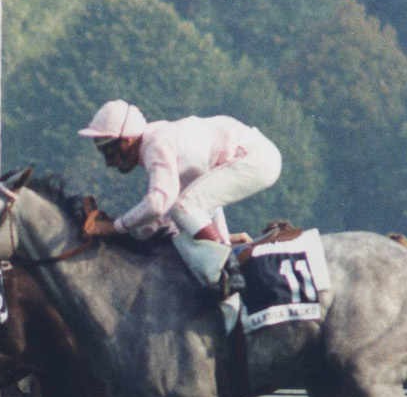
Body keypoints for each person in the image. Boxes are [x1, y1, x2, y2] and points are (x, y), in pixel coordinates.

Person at [76, 100, 282, 299]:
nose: (109, 163)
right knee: (187, 206)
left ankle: (228, 273)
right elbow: (205, 203)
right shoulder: (160, 138)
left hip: (254, 156)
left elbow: (158, 203)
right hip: (259, 155)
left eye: (108, 151)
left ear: (127, 140)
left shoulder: (154, 144)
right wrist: (223, 241)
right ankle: (226, 266)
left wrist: (114, 226)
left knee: (182, 205)